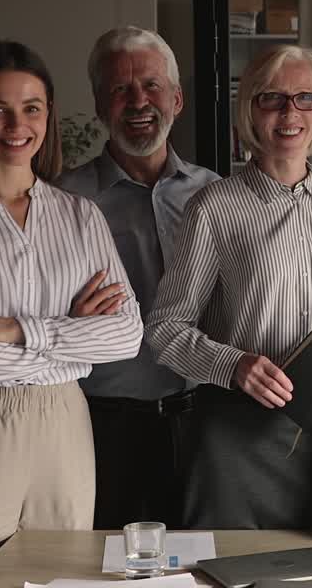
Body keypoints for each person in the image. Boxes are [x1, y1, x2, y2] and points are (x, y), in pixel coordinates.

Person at [0, 42, 142, 588]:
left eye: (32, 108)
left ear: (49, 116)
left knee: (63, 577)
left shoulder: (82, 217)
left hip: (64, 425)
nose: (17, 125)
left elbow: (127, 334)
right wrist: (72, 331)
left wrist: (13, 329)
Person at [147, 44, 312, 530]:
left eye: (305, 98)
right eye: (272, 98)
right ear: (250, 111)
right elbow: (164, 329)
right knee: (226, 575)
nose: (289, 113)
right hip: (233, 433)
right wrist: (233, 365)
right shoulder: (213, 207)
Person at [58, 26, 220, 529]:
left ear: (177, 97)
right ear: (100, 103)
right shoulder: (63, 201)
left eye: (151, 86)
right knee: (104, 566)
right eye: (120, 89)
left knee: (202, 564)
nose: (138, 101)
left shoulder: (216, 194)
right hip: (102, 426)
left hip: (204, 421)